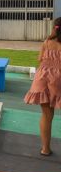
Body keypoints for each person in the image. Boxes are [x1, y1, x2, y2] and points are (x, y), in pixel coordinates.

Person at [24, 17, 61, 156]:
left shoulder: (46, 42)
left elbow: (40, 59)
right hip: (57, 80)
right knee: (50, 114)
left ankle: (45, 149)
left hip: (42, 78)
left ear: (55, 28)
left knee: (46, 115)